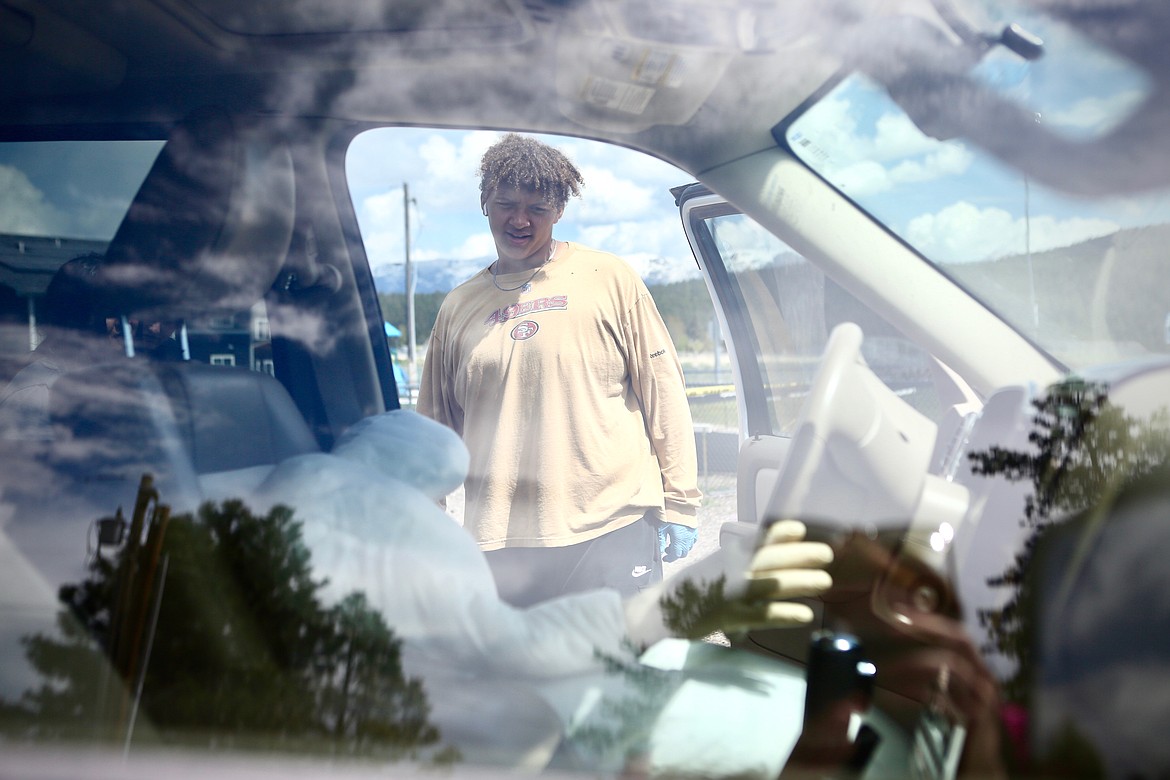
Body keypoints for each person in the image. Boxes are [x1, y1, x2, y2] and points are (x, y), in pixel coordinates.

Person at [418, 133, 702, 606]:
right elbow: (434, 430)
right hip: (501, 540)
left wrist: (682, 502)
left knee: (619, 674)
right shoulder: (458, 307)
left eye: (538, 208)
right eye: (506, 203)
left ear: (560, 210)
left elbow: (664, 392)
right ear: (484, 201)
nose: (521, 220)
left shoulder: (610, 279)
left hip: (611, 526)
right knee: (527, 678)